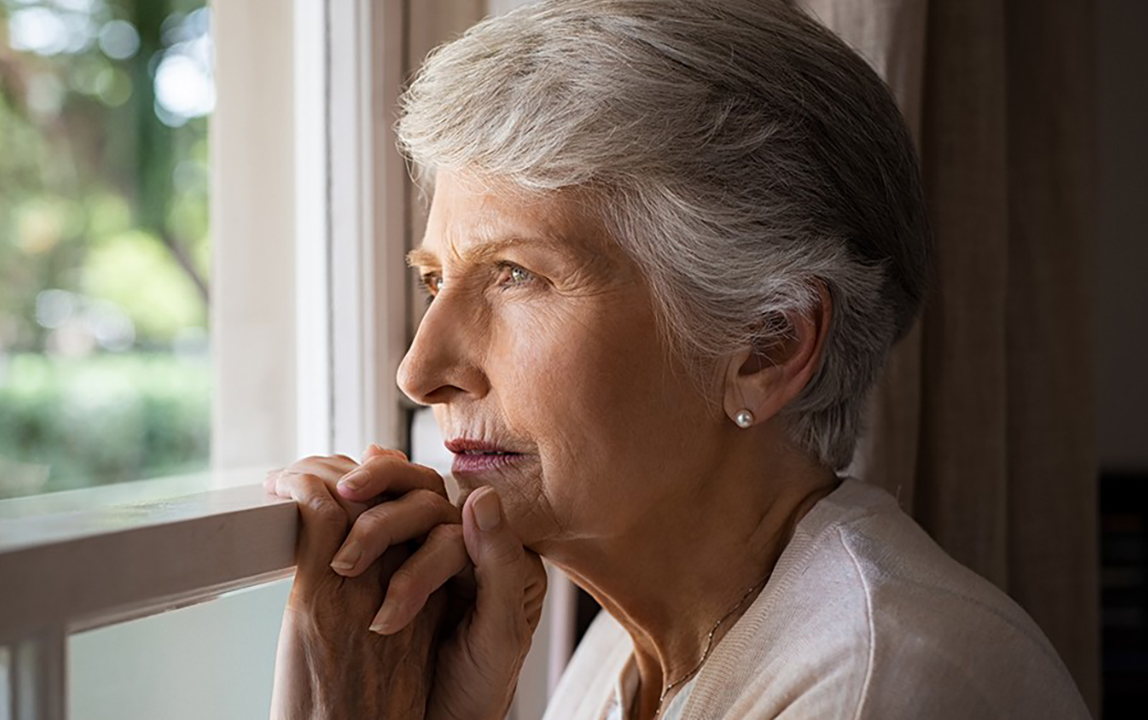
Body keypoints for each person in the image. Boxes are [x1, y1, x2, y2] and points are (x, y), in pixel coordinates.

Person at [265, 0, 1093, 718]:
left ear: (766, 346)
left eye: (516, 275)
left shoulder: (879, 685)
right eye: (434, 279)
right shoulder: (622, 658)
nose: (420, 371)